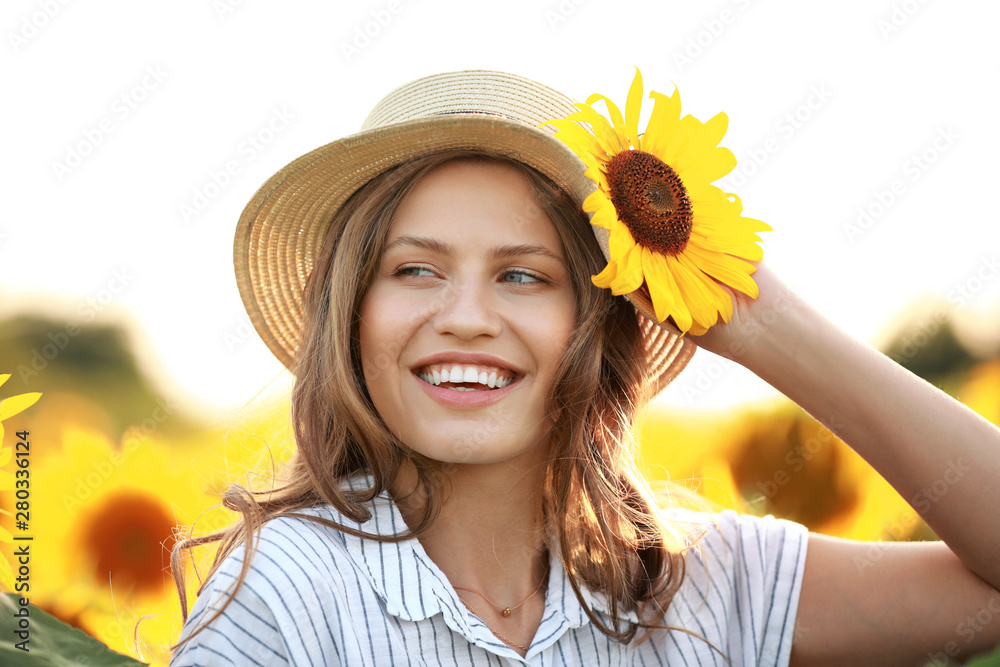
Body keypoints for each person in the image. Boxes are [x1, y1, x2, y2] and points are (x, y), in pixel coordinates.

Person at [169, 70, 1000, 666]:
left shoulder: (695, 585)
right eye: (415, 269)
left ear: (595, 327)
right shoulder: (285, 596)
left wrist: (762, 323)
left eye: (524, 274)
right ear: (350, 316)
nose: (464, 315)